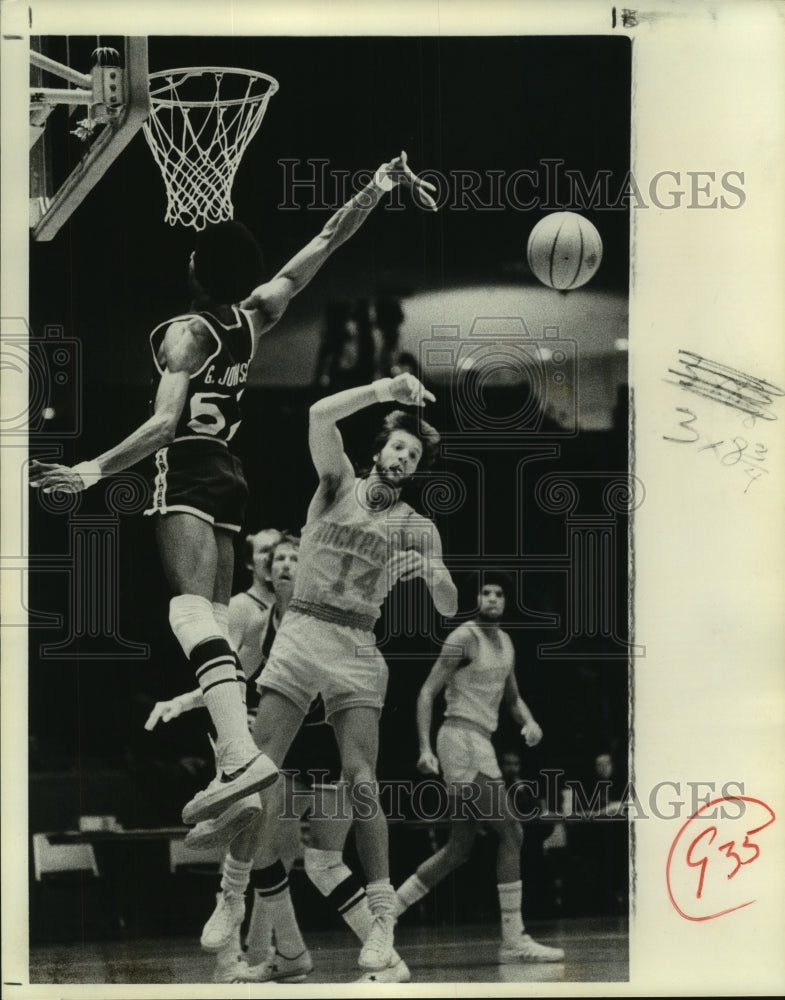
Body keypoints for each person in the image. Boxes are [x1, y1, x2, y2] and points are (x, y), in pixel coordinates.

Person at [29, 151, 438, 827]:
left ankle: (242, 757)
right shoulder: (256, 316)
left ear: (195, 270)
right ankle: (235, 757)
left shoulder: (186, 336)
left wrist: (88, 471)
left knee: (187, 616)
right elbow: (324, 243)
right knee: (214, 621)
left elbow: (163, 425)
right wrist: (376, 184)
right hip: (230, 475)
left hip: (188, 468)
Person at [194, 371, 458, 979]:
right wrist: (386, 389)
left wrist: (434, 575)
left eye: (413, 455)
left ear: (416, 470)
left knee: (363, 777)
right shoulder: (337, 480)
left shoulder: (417, 526)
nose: (403, 457)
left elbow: (447, 604)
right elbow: (318, 413)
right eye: (397, 446)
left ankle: (384, 916)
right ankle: (231, 897)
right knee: (257, 770)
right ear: (379, 451)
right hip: (305, 631)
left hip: (357, 645)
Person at [394, 576, 565, 964]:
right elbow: (425, 692)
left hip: (481, 743)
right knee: (512, 830)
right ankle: (514, 938)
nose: (492, 598)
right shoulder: (462, 638)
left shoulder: (506, 644)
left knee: (458, 850)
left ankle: (385, 916)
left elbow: (514, 698)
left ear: (506, 601)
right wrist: (424, 747)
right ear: (475, 598)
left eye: (499, 593)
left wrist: (530, 721)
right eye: (486, 592)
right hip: (458, 741)